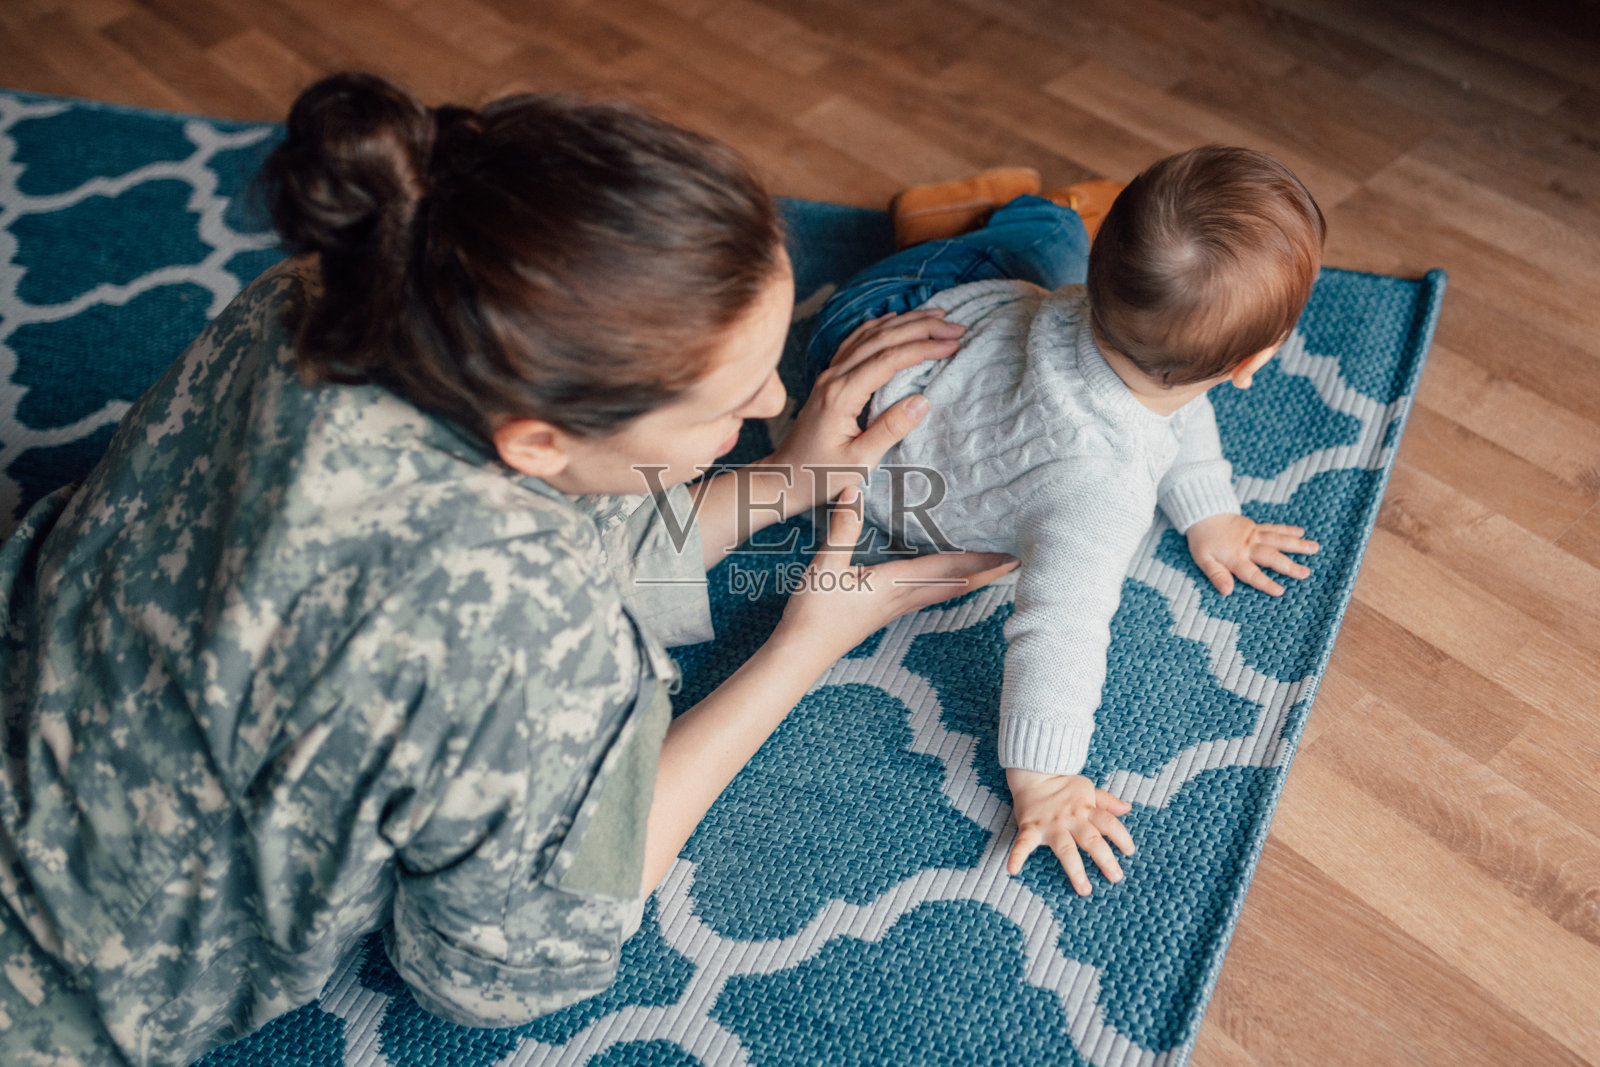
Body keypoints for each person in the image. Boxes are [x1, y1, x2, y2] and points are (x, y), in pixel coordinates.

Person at [0, 73, 1015, 1066]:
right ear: (533, 440)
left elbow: (551, 539)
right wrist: (806, 641)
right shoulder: (543, 631)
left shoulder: (326, 294)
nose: (768, 404)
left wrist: (785, 484)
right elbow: (502, 974)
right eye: (729, 401)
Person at [802, 147, 1326, 898]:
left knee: (1048, 250)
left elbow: (1173, 405)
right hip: (889, 345)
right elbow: (1060, 627)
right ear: (1253, 362)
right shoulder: (1101, 488)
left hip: (893, 345)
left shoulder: (1094, 311)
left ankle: (1016, 213)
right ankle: (986, 212)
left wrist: (1209, 509)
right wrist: (1044, 780)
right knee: (1043, 243)